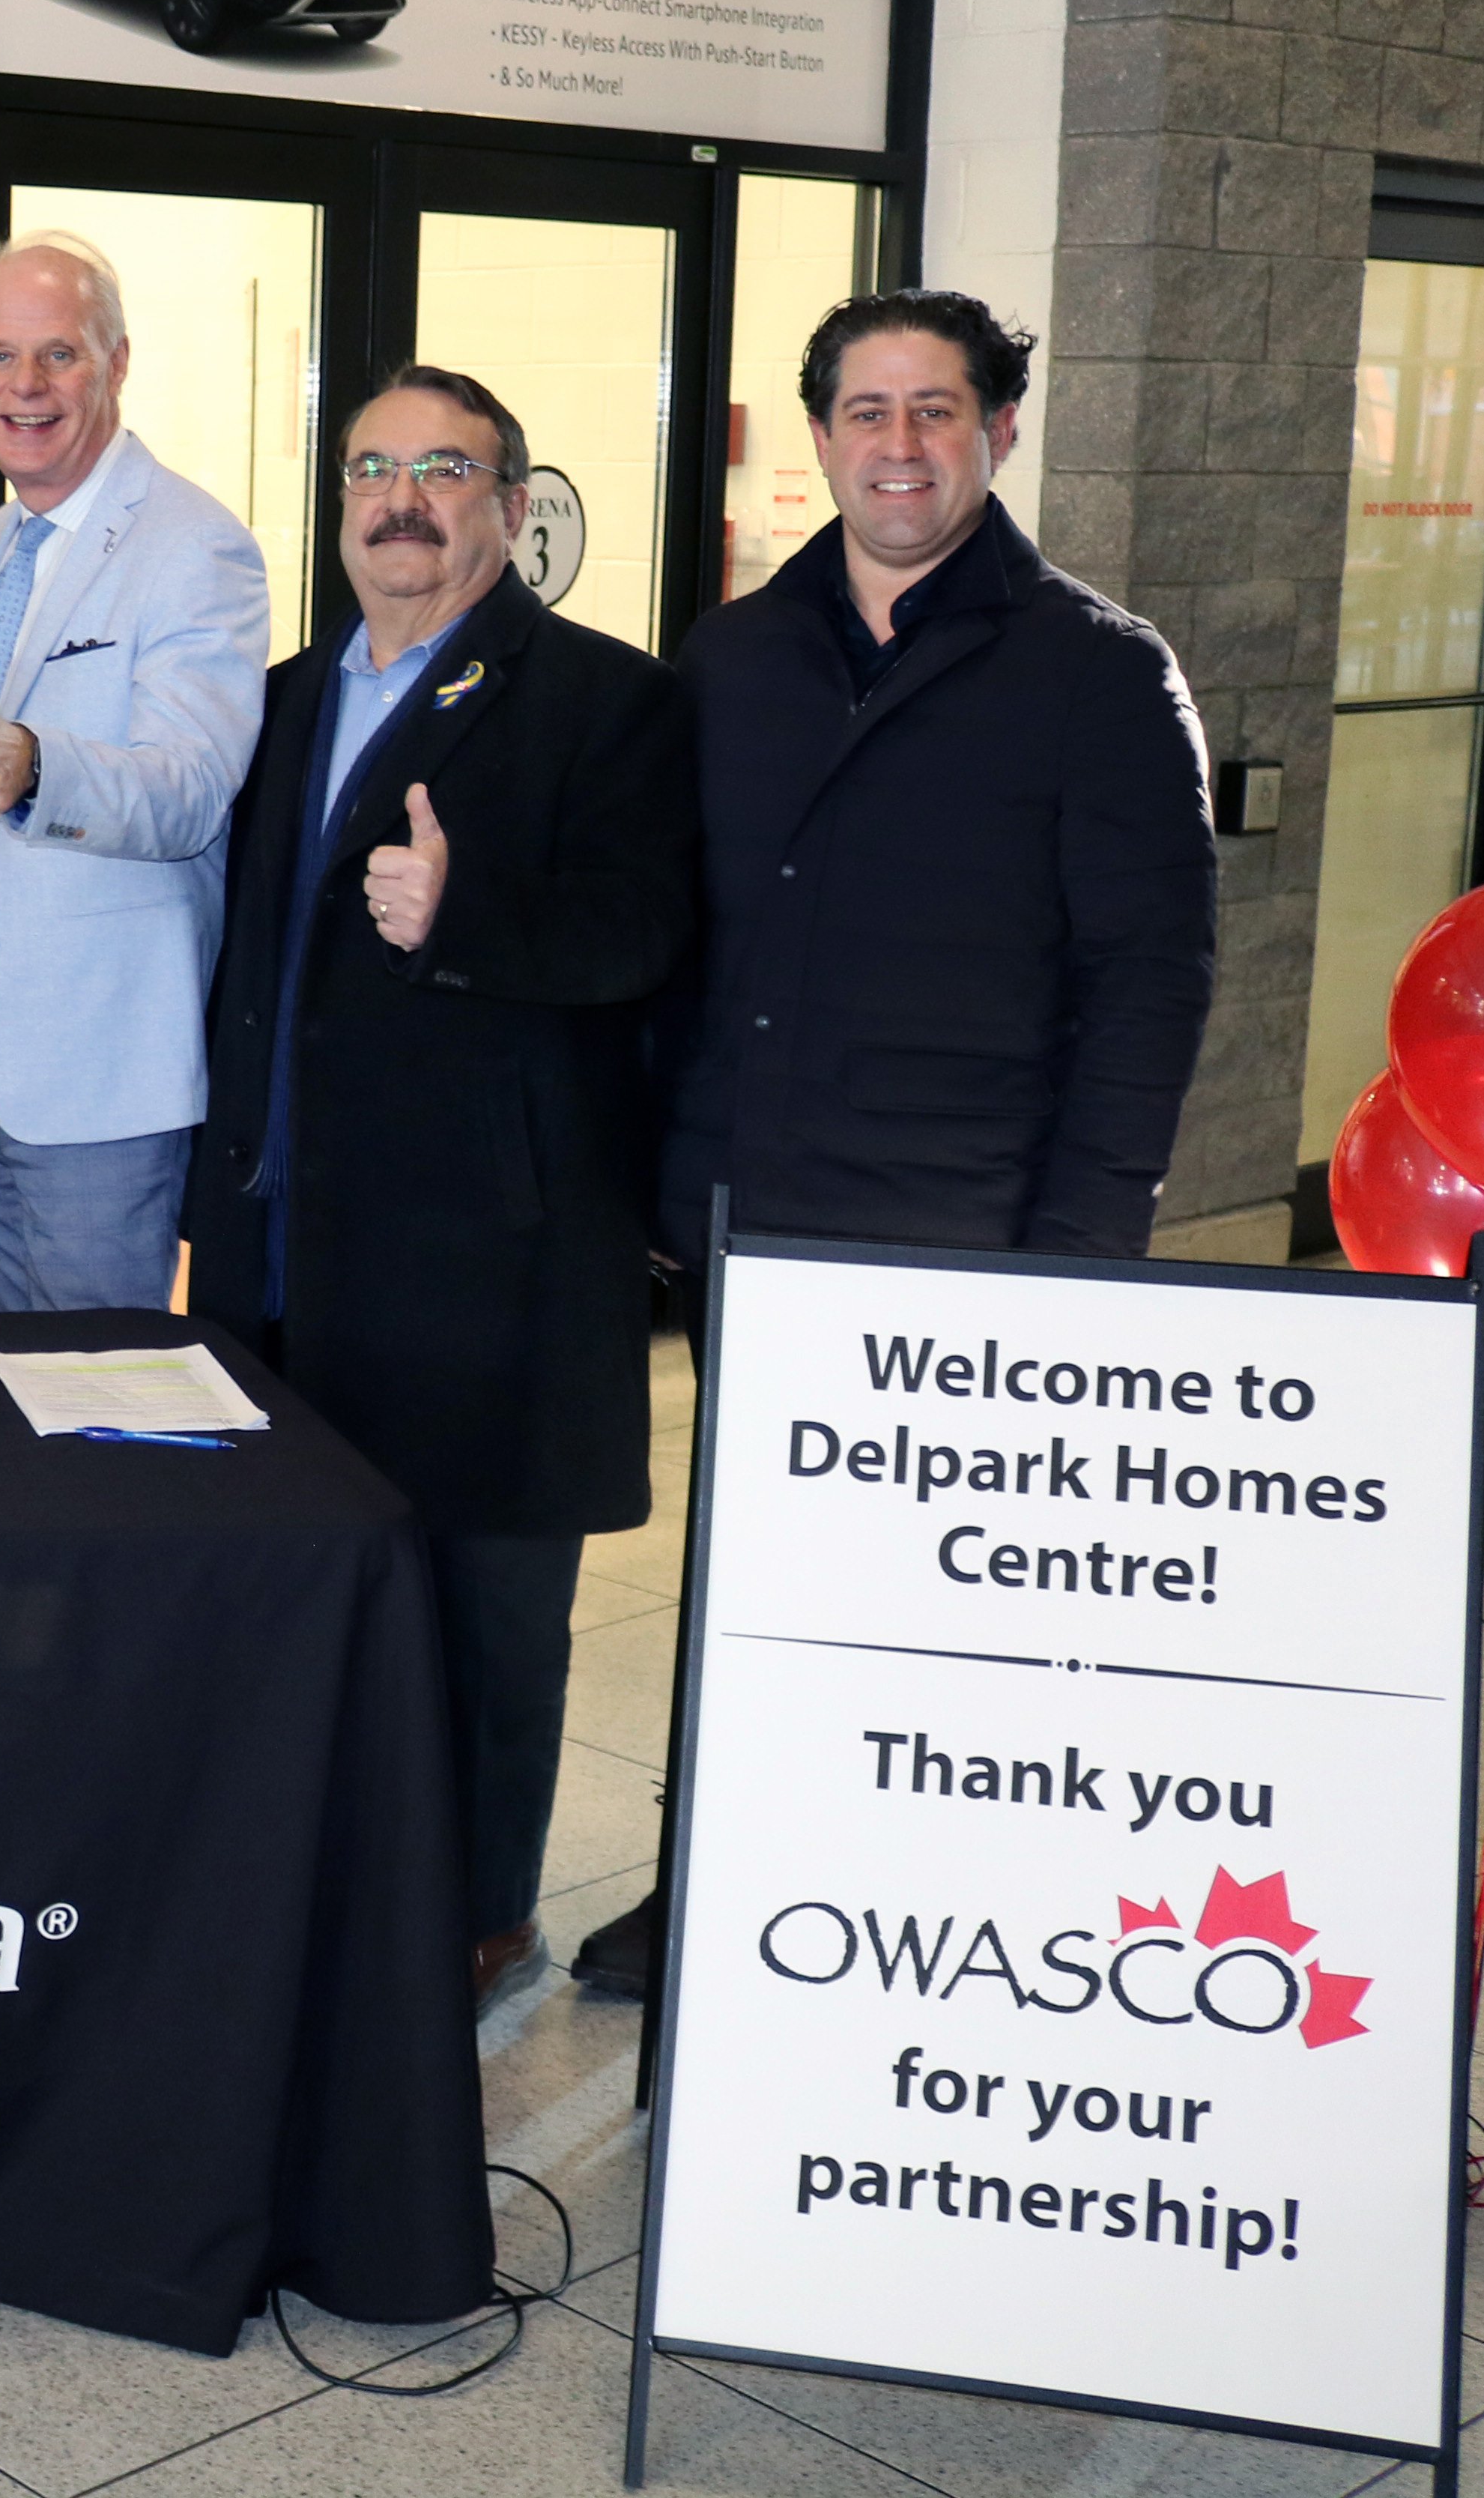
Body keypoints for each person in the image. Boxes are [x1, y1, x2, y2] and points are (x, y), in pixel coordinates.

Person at [576, 287, 1218, 2005]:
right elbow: (675, 937)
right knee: (746, 1581)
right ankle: (712, 1876)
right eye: (868, 411)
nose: (901, 445)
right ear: (823, 439)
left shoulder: (1098, 668)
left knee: (934, 1617)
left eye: (937, 410)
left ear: (997, 431)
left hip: (965, 1228)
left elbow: (1151, 981)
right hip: (753, 1216)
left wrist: (1084, 1249)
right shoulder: (732, 657)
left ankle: (916, 1917)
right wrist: (659, 1170)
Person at [181, 369, 698, 2015]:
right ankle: (323, 1868)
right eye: (372, 468)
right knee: (314, 1583)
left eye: (444, 468)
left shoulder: (608, 699)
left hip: (491, 1252)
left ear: (512, 502)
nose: (402, 497)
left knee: (486, 1608)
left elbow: (645, 936)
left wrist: (467, 914)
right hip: (284, 1233)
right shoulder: (275, 697)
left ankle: (484, 1911)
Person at [0, 233, 270, 1311]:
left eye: (59, 355)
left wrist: (38, 766)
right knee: (12, 1392)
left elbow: (193, 785)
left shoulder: (193, 544)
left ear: (115, 363)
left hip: (96, 1068)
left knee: (104, 1402)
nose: (27, 386)